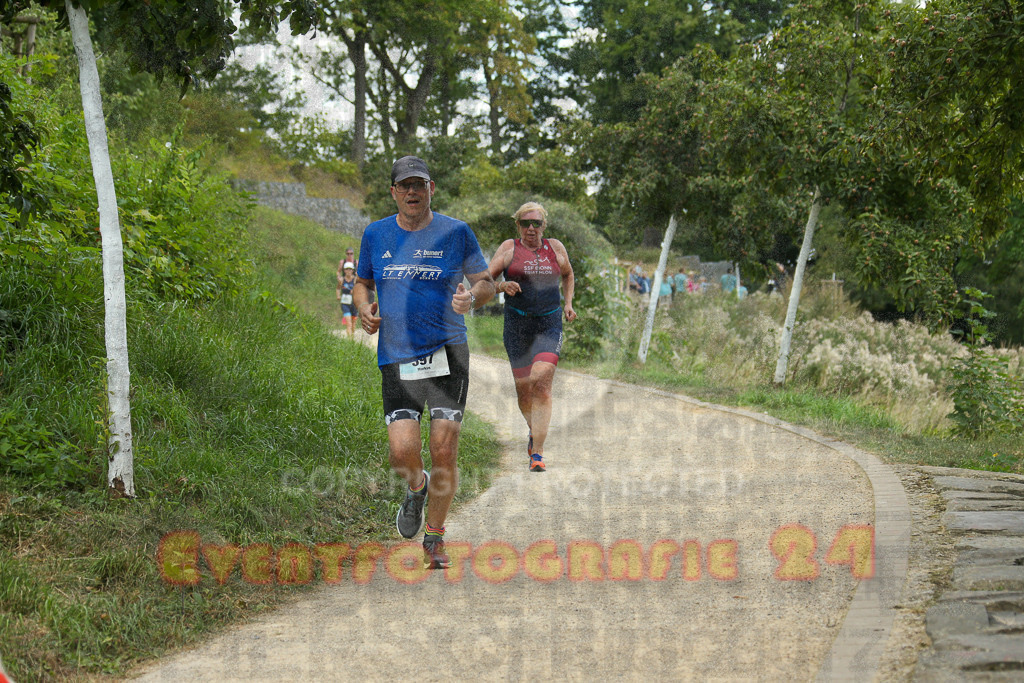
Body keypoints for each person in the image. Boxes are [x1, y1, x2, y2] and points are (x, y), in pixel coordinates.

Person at [353, 155, 495, 570]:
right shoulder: (376, 234)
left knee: (443, 447)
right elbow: (362, 282)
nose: (413, 192)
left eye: (420, 185)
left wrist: (473, 297)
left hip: (448, 351)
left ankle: (435, 536)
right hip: (396, 355)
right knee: (402, 451)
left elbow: (484, 281)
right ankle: (417, 488)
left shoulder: (456, 232)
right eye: (405, 186)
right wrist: (363, 308)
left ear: (431, 189)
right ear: (394, 192)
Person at [487, 202, 576, 473]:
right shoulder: (508, 249)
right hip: (516, 325)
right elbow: (484, 281)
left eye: (536, 223)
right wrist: (501, 285)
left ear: (544, 225)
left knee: (542, 384)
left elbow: (568, 274)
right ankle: (533, 431)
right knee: (524, 390)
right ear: (518, 226)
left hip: (549, 323)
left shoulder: (556, 248)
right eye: (525, 223)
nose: (531, 228)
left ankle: (537, 452)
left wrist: (569, 303)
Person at [337, 261, 357, 337]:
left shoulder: (355, 280)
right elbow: (338, 288)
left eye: (350, 269)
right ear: (344, 270)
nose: (348, 271)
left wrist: (354, 291)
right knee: (349, 323)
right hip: (345, 303)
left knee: (353, 324)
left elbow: (359, 289)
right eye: (347, 269)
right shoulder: (341, 280)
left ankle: (352, 336)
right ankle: (350, 340)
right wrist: (338, 295)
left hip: (354, 303)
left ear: (352, 270)